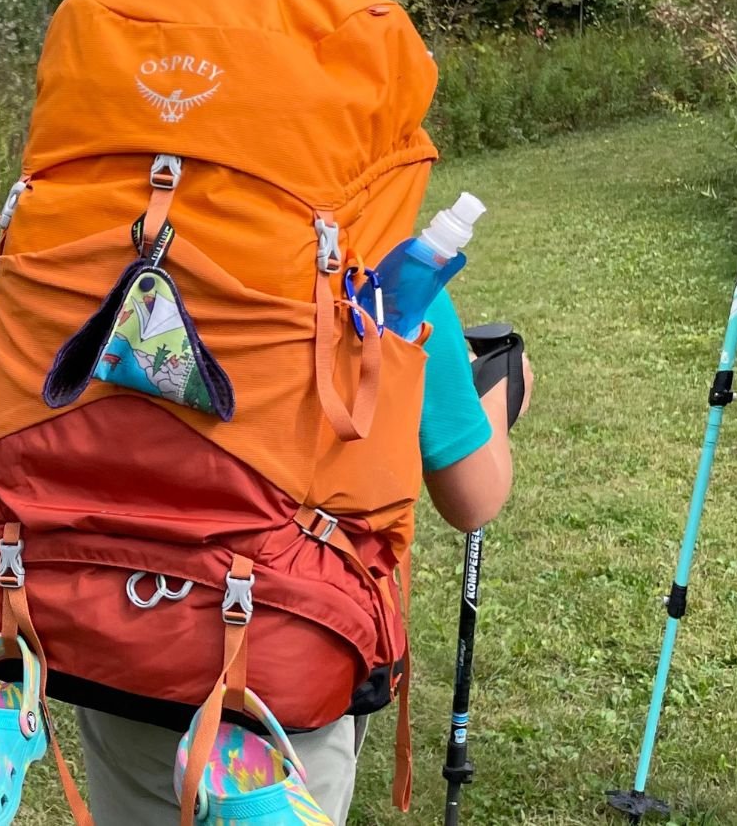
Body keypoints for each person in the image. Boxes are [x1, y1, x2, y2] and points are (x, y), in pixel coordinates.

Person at [76, 285, 535, 824]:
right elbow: (473, 497)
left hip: (118, 626)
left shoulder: (110, 241)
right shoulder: (382, 262)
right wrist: (498, 396)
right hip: (289, 654)